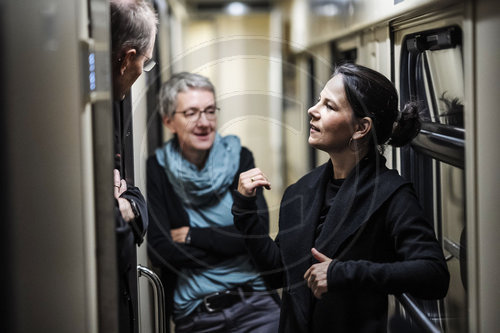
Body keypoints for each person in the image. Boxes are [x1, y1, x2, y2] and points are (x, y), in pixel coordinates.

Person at [232, 63, 450, 332]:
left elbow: (434, 275)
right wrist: (244, 209)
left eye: (329, 106)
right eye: (318, 101)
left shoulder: (391, 195)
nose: (312, 110)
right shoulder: (302, 190)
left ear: (360, 128)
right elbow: (279, 271)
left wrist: (344, 273)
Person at [147, 72, 280, 332]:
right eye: (191, 113)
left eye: (210, 111)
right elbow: (161, 250)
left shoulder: (240, 159)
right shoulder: (156, 169)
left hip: (256, 304)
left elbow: (257, 234)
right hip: (197, 314)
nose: (204, 122)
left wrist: (191, 236)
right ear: (169, 121)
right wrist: (231, 244)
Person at [110, 1, 158, 332]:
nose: (142, 70)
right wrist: (122, 210)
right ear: (128, 58)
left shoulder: (114, 104)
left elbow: (136, 203)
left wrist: (127, 207)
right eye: (145, 61)